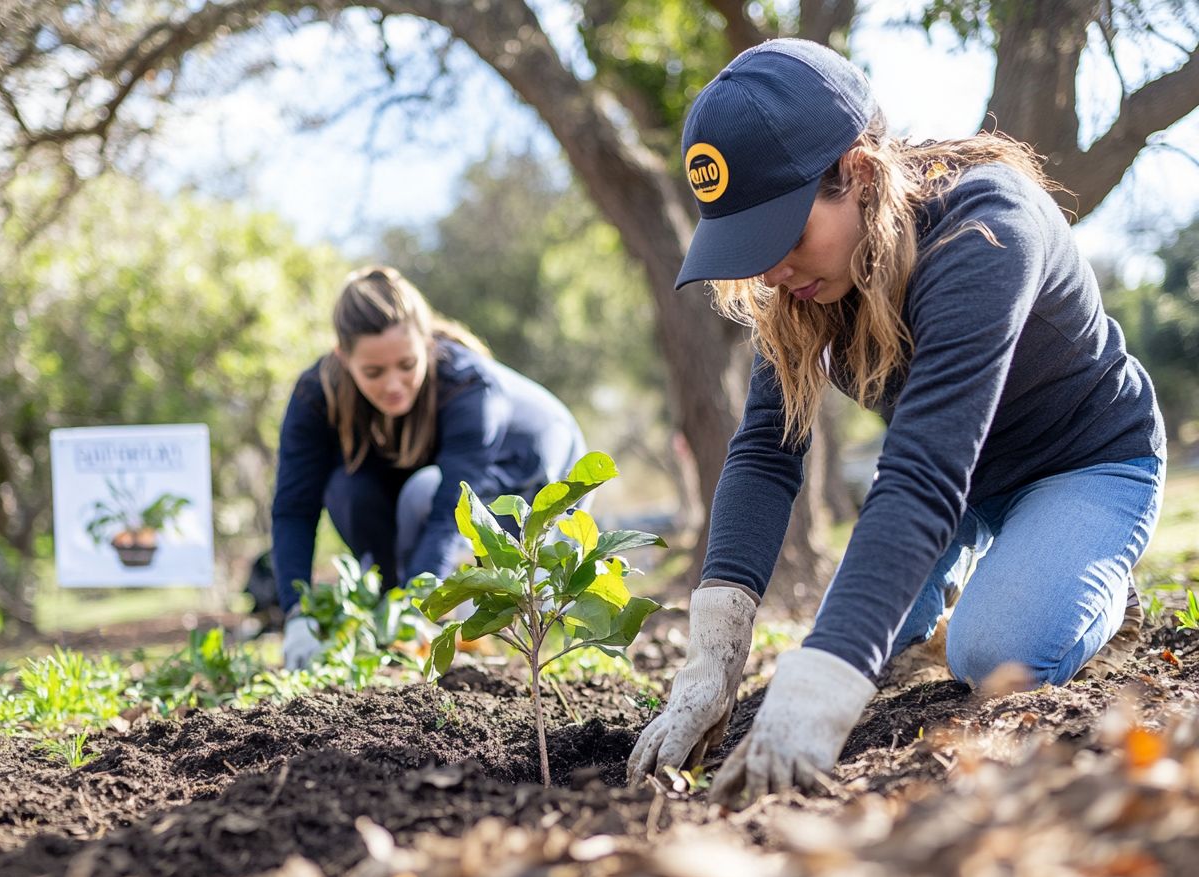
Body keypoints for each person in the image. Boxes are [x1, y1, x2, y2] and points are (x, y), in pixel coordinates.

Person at [628, 39, 1166, 806]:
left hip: (1085, 464)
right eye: (750, 248)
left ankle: (1098, 585)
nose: (773, 270)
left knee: (994, 653)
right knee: (857, 642)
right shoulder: (810, 288)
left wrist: (817, 697)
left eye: (781, 236)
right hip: (959, 486)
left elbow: (920, 473)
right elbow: (763, 453)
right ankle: (1017, 567)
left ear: (858, 172)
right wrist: (713, 656)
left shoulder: (985, 230)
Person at [274, 266, 586, 669]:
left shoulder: (468, 386)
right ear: (342, 357)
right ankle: (398, 623)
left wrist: (421, 610)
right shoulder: (316, 394)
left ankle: (435, 625)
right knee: (347, 489)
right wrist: (296, 614)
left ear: (427, 342)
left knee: (427, 494)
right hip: (447, 487)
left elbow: (449, 512)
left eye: (407, 365)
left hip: (540, 473)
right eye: (373, 372)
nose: (392, 384)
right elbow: (293, 508)